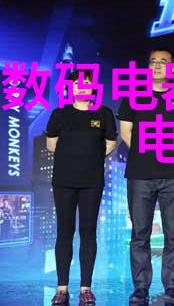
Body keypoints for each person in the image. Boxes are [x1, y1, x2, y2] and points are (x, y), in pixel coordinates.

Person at [118, 48, 174, 305]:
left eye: (164, 62)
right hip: (140, 174)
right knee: (140, 234)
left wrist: (167, 152)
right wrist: (147, 153)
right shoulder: (134, 95)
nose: (158, 66)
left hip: (172, 174)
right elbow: (126, 133)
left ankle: (172, 286)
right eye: (153, 61)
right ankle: (140, 288)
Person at [45, 69, 117, 306]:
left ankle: (86, 288)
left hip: (92, 182)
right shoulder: (60, 114)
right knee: (64, 233)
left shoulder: (104, 113)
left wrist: (91, 158)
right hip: (64, 181)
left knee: (88, 232)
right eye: (77, 83)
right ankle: (62, 288)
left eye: (87, 82)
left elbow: (111, 143)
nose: (82, 86)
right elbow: (52, 145)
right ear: (71, 88)